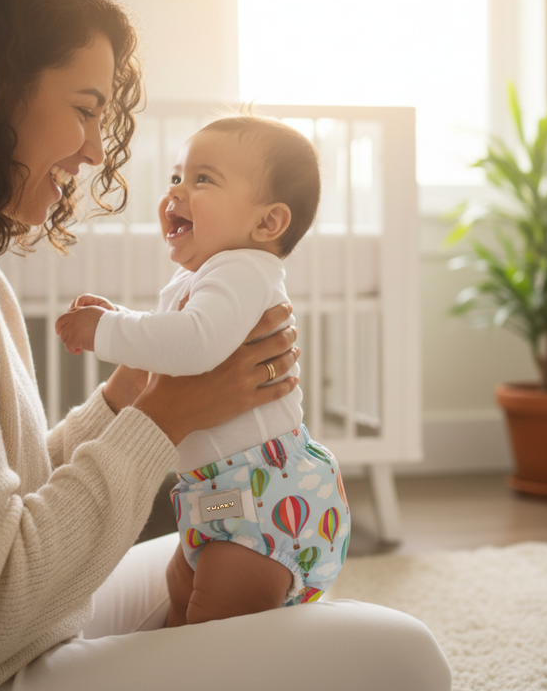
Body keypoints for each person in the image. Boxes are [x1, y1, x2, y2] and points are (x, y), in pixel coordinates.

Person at [0, 0, 452, 691]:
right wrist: (167, 416)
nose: (94, 152)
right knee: (402, 656)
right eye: (85, 110)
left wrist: (126, 396)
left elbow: (0, 499)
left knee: (243, 549)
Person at [55, 115, 350, 625]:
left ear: (268, 223)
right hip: (217, 499)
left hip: (263, 496)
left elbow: (194, 345)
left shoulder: (242, 269)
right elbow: (174, 345)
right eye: (176, 177)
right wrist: (133, 332)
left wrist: (108, 328)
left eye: (203, 179)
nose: (177, 192)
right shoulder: (209, 276)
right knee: (182, 599)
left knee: (216, 624)